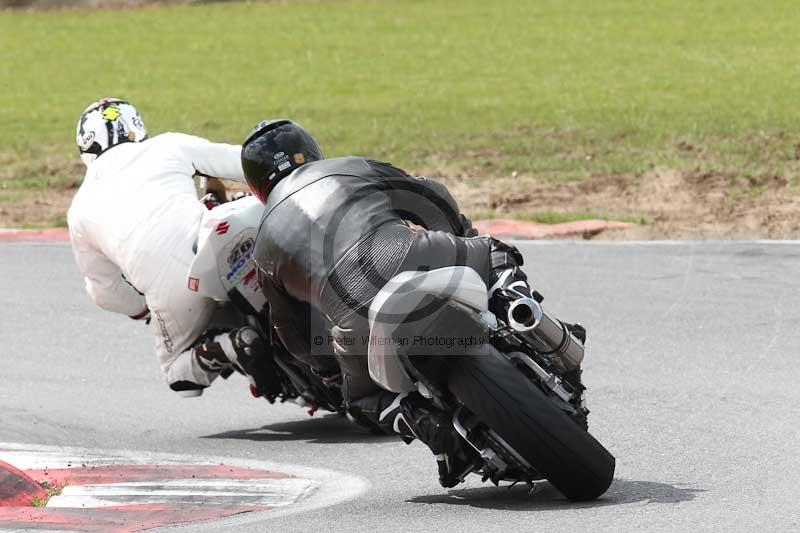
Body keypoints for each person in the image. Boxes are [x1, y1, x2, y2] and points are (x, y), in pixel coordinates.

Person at [242, 119, 544, 487]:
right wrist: (458, 235)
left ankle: (424, 423)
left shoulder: (263, 247)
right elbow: (429, 194)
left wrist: (329, 371)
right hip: (409, 252)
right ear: (309, 148)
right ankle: (520, 308)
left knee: (362, 398)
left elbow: (292, 334)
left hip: (352, 312)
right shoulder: (350, 166)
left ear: (255, 185)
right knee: (494, 253)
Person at [68, 97, 273, 398]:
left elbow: (103, 289)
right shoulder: (167, 145)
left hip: (174, 288)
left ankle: (231, 346)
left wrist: (141, 309)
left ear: (86, 147)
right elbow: (246, 162)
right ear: (136, 127)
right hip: (227, 238)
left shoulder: (79, 210)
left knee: (178, 376)